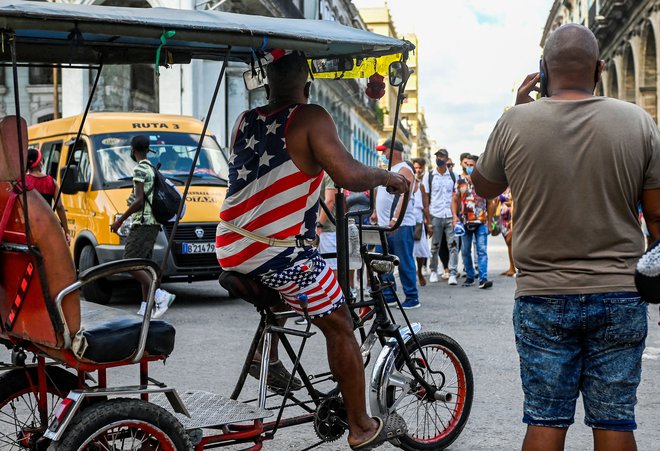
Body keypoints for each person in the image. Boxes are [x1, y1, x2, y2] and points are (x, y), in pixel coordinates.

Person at [473, 24, 660, 451]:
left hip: (542, 296)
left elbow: (483, 187)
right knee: (615, 422)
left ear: (543, 70)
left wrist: (515, 109)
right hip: (619, 292)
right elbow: (656, 216)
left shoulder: (514, 122)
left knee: (544, 421)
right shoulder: (638, 121)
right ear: (597, 69)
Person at [215, 51, 408, 449]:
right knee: (340, 321)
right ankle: (361, 427)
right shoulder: (310, 116)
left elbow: (284, 177)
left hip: (231, 243)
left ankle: (262, 357)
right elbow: (349, 175)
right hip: (275, 252)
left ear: (267, 84)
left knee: (295, 293)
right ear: (308, 85)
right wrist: (389, 177)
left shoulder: (244, 120)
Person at [111, 135, 176, 318]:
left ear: (133, 150)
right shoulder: (151, 168)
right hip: (153, 223)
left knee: (129, 262)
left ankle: (160, 296)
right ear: (148, 149)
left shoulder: (140, 169)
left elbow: (139, 202)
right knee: (143, 265)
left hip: (143, 224)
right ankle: (145, 307)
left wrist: (120, 220)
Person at [371, 138, 419, 309]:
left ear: (394, 151)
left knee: (404, 261)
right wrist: (376, 212)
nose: (382, 154)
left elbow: (404, 197)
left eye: (384, 151)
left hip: (400, 225)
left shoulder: (404, 169)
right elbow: (381, 195)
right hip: (384, 225)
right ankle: (389, 295)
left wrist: (394, 220)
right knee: (381, 261)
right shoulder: (389, 170)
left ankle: (412, 297)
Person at [453, 157, 494, 289]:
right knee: (465, 250)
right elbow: (454, 200)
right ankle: (470, 276)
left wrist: (489, 222)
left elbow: (490, 202)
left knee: (482, 250)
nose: (469, 166)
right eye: (467, 164)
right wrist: (454, 216)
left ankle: (483, 278)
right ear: (464, 165)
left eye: (472, 165)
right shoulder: (460, 182)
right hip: (465, 222)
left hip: (481, 221)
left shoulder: (484, 182)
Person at [423, 148, 458, 286]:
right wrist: (428, 221)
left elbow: (455, 197)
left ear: (446, 158)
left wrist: (456, 215)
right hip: (435, 214)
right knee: (434, 246)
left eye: (442, 156)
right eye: (437, 156)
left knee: (453, 245)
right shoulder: (429, 176)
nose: (439, 158)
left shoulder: (454, 176)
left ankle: (453, 273)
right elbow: (426, 198)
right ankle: (433, 271)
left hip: (449, 215)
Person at [25, 147, 71, 245]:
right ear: (38, 162)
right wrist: (66, 231)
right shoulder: (51, 182)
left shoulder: (23, 181)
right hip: (47, 228)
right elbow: (59, 206)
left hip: (28, 227)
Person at [411, 158, 431, 286]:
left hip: (418, 220)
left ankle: (419, 272)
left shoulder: (421, 186)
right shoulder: (404, 184)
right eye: (415, 168)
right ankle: (411, 274)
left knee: (420, 249)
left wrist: (429, 223)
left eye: (419, 168)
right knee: (406, 250)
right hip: (405, 220)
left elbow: (425, 206)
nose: (417, 170)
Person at [498, 188, 515, 276]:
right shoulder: (502, 187)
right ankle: (511, 267)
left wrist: (507, 204)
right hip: (503, 221)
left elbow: (515, 202)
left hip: (511, 219)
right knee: (509, 244)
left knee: (510, 241)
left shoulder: (514, 186)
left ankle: (515, 268)